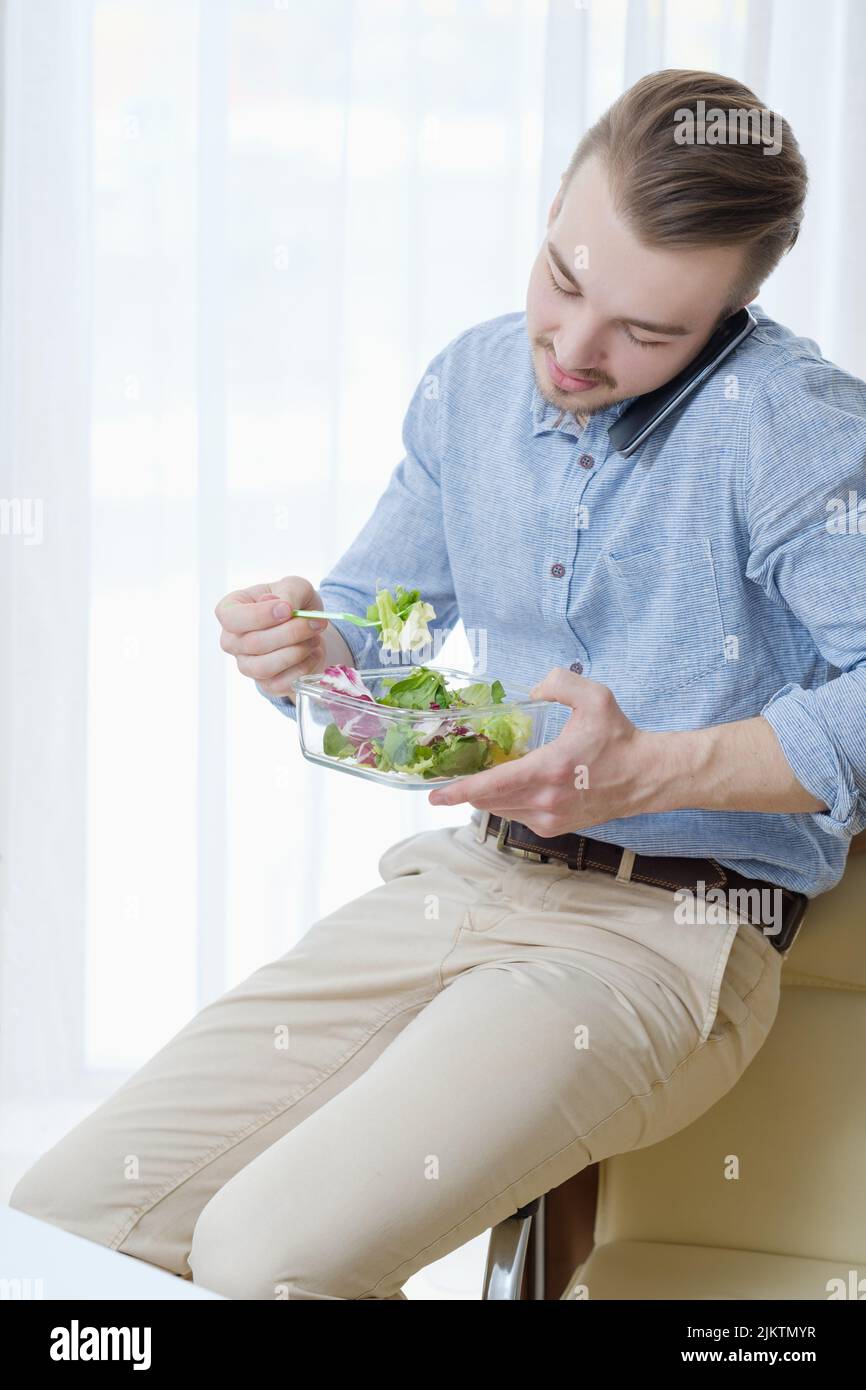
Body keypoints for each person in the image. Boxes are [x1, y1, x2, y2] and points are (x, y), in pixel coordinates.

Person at [10, 69, 865, 1301]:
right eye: (563, 280)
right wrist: (312, 652)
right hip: (464, 881)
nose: (570, 350)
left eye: (647, 332)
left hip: (661, 939)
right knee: (62, 1229)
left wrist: (653, 771)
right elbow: (387, 639)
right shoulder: (469, 384)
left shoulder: (790, 428)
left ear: (733, 311)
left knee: (267, 1259)